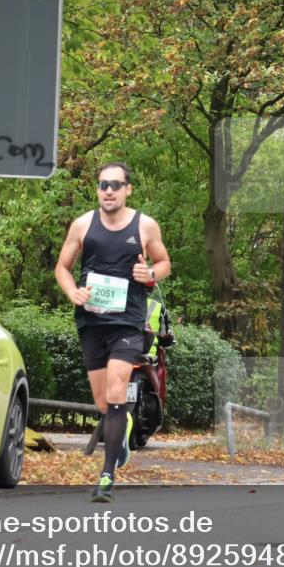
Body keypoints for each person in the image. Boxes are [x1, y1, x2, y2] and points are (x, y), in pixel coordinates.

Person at [55, 162, 171, 501]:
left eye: (116, 185)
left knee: (118, 386)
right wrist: (72, 292)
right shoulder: (82, 224)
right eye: (103, 185)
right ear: (98, 189)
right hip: (91, 321)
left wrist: (150, 274)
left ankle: (106, 476)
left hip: (128, 321)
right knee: (103, 401)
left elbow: (164, 262)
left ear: (127, 189)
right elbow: (62, 267)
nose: (109, 191)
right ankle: (121, 428)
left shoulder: (145, 225)